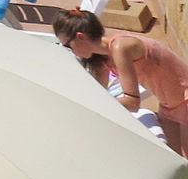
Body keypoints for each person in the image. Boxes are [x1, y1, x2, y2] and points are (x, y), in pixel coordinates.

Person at [57, 10, 188, 154]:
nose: (72, 52)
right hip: (169, 106)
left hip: (184, 100)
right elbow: (98, 94)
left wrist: (95, 104)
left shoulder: (120, 48)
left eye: (68, 46)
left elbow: (132, 102)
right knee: (174, 161)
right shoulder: (102, 59)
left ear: (80, 37)